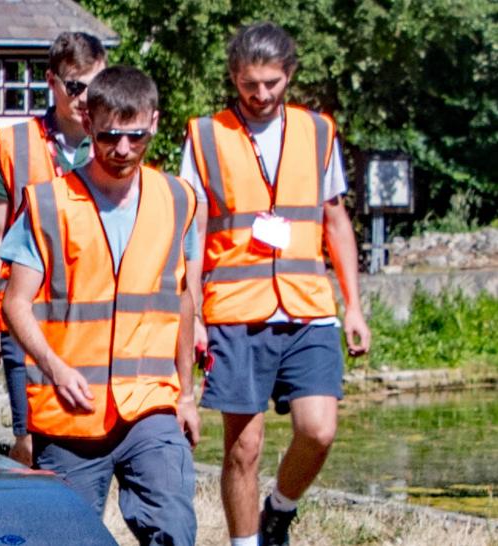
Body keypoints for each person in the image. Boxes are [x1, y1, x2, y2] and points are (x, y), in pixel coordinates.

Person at [181, 22, 370, 546]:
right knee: (244, 448)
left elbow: (335, 222)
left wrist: (353, 307)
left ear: (289, 75)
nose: (260, 95)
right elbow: (192, 233)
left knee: (319, 429)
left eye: (271, 83)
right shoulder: (205, 135)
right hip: (236, 311)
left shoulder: (317, 131)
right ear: (233, 79)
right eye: (248, 84)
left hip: (308, 305)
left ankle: (279, 509)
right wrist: (193, 313)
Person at [0, 66, 200, 545]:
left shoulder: (178, 199)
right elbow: (15, 305)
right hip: (71, 413)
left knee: (173, 531)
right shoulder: (48, 204)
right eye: (110, 136)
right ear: (88, 123)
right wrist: (54, 367)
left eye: (135, 136)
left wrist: (187, 393)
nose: (123, 149)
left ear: (154, 122)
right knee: (69, 538)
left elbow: (182, 298)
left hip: (149, 407)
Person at [0, 32, 107, 467]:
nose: (85, 98)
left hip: (91, 317)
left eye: (94, 86)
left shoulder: (114, 145)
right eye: (75, 86)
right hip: (23, 313)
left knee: (82, 432)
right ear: (51, 81)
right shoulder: (13, 145)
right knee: (29, 437)